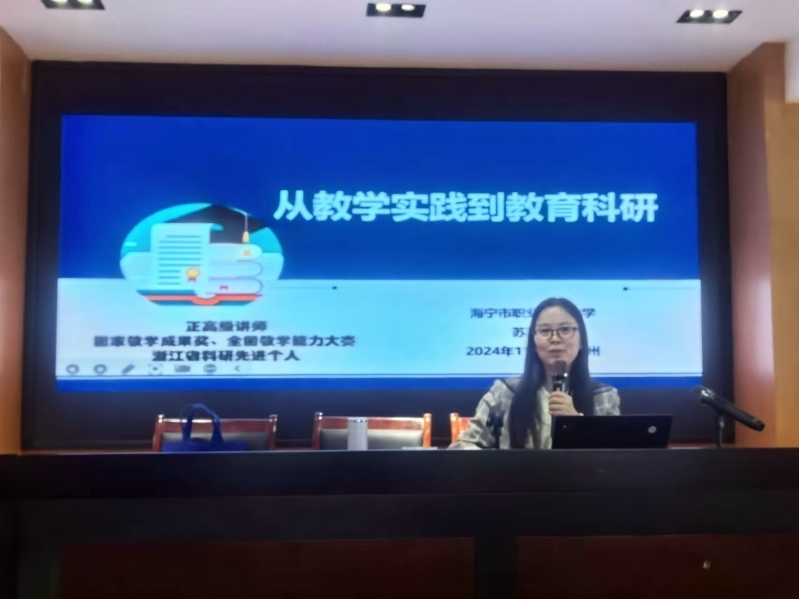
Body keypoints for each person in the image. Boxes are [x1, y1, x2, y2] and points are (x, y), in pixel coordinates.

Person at [450, 297, 620, 449]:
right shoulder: (505, 393)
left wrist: (576, 422)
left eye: (565, 329)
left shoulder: (603, 397)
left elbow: (615, 458)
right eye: (545, 331)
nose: (555, 339)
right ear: (533, 342)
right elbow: (462, 446)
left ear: (581, 340)